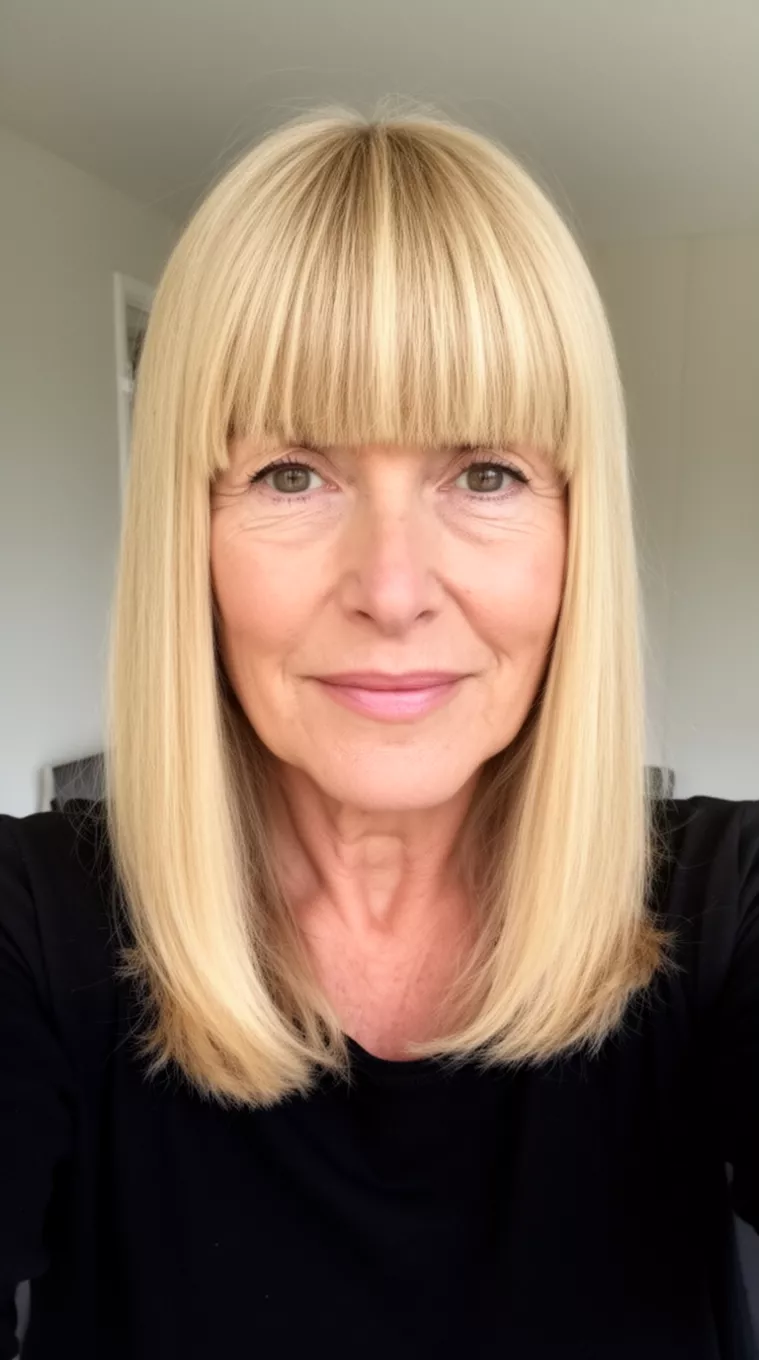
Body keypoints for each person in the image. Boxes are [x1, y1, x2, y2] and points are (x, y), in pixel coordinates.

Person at [0, 104, 757, 1360]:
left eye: (487, 474)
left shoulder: (721, 909)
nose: (394, 588)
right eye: (293, 472)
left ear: (580, 534)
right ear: (188, 530)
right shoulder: (37, 928)